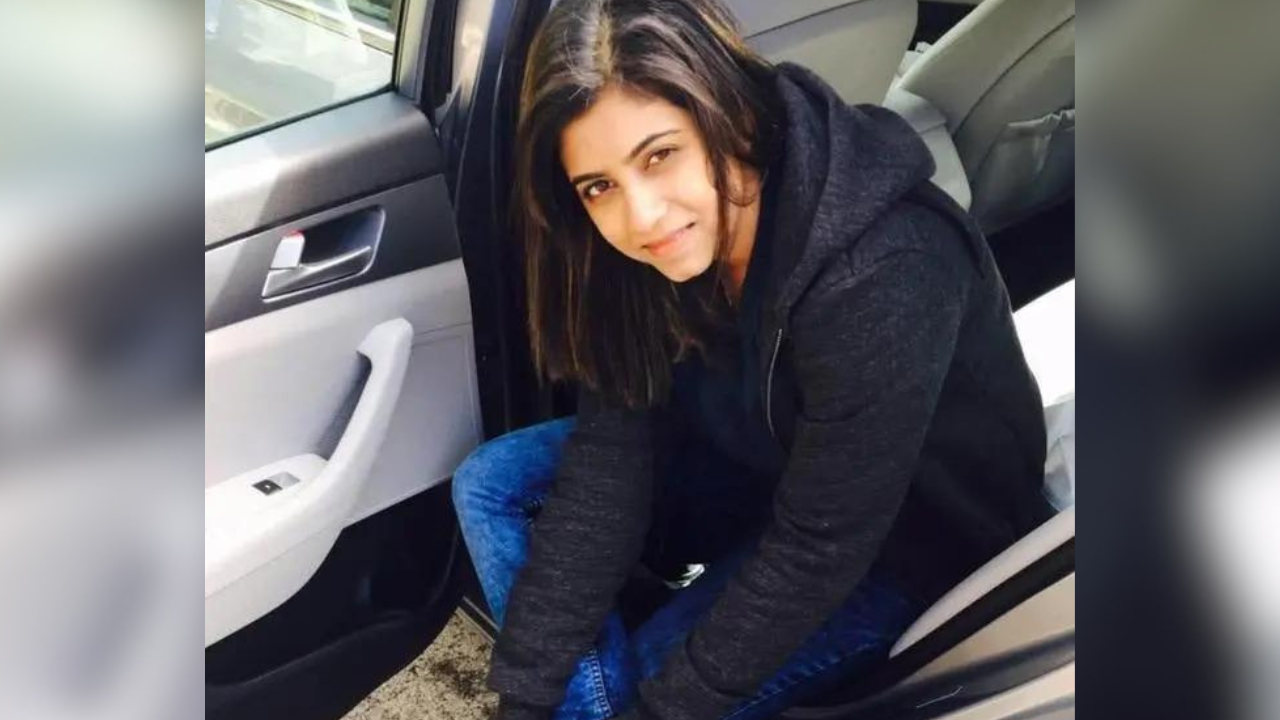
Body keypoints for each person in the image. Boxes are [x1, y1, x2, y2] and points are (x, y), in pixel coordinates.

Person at [452, 1, 1052, 718]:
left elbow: (818, 547)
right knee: (494, 484)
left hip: (903, 546)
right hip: (758, 467)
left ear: (728, 115)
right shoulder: (639, 253)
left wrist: (664, 705)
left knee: (650, 690)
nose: (641, 217)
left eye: (659, 155)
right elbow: (611, 461)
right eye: (599, 186)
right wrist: (525, 698)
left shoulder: (881, 267)